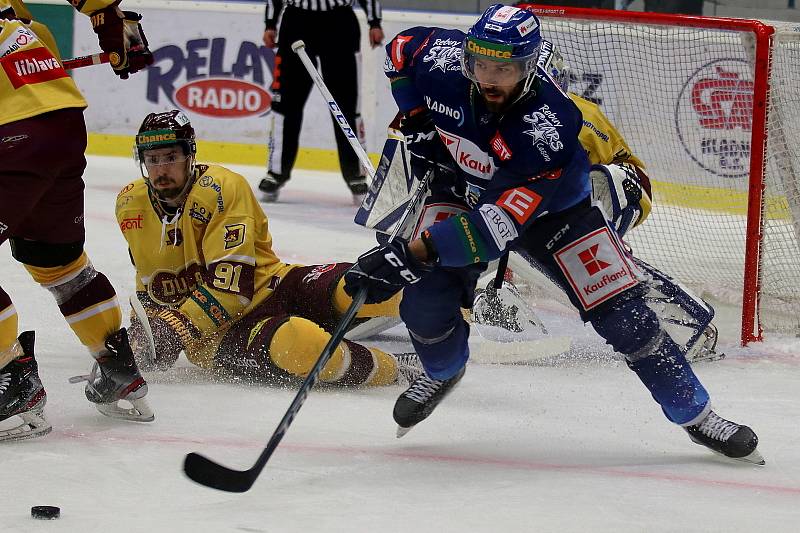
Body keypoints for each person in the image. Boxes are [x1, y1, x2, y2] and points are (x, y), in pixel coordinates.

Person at [344, 4, 763, 464]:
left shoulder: (549, 127)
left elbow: (496, 228)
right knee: (424, 298)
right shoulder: (443, 61)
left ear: (528, 67)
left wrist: (410, 252)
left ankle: (698, 416)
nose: (489, 78)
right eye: (481, 64)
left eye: (503, 68)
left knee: (626, 318)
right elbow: (401, 52)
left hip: (554, 215)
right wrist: (418, 118)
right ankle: (443, 371)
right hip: (462, 188)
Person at [118, 109, 420, 388]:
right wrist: (146, 331)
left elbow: (231, 288)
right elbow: (149, 283)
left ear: (189, 156)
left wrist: (175, 328)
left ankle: (457, 304)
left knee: (361, 282)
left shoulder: (221, 188)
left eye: (170, 157)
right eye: (153, 160)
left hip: (272, 285)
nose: (161, 170)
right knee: (300, 344)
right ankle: (395, 369)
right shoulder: (130, 205)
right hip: (216, 337)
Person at [474, 40, 722, 363]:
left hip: (624, 188)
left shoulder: (580, 115)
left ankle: (629, 276)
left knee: (585, 189)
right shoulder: (496, 117)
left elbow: (611, 173)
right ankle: (499, 287)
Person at [0, 0, 155, 442]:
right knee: (56, 260)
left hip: (14, 134)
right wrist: (107, 14)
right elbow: (42, 39)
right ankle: (116, 364)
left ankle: (12, 380)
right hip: (64, 125)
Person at [258, 0, 384, 204]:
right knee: (285, 104)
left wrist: (374, 22)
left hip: (339, 23)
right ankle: (276, 172)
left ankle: (355, 175)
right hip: (296, 22)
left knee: (347, 107)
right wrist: (270, 23)